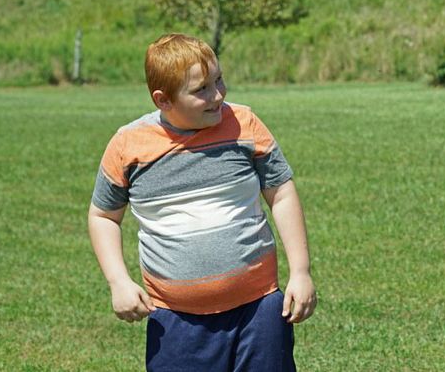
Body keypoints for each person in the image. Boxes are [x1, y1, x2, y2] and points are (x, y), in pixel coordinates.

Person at [88, 33, 316, 372]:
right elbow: (104, 216)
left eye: (219, 79)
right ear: (163, 100)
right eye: (202, 90)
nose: (218, 95)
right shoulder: (128, 146)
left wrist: (300, 271)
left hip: (260, 307)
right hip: (176, 320)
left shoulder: (244, 124)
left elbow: (280, 192)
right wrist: (118, 281)